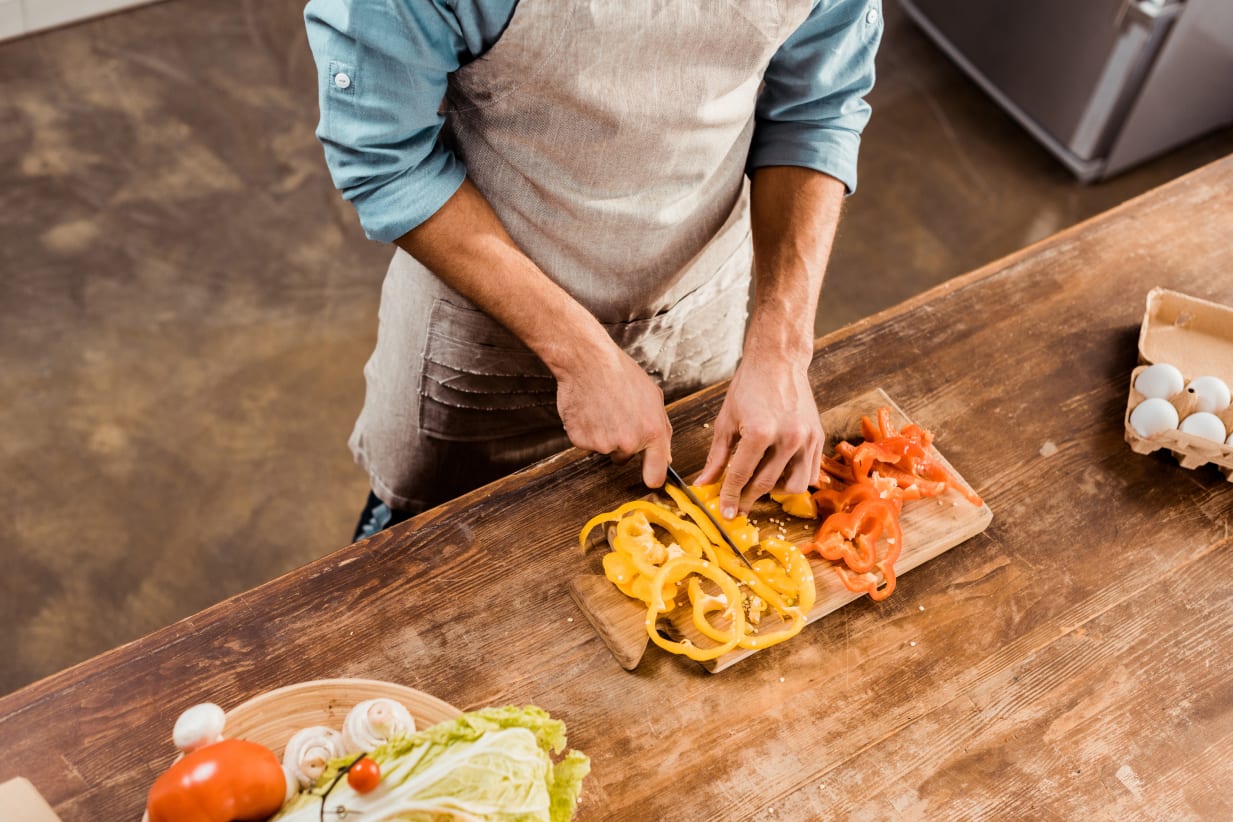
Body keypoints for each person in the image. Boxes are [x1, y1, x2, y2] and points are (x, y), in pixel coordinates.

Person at [303, 0, 883, 541]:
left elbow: (816, 109)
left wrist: (781, 346)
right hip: (483, 348)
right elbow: (385, 158)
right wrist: (576, 353)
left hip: (699, 314)